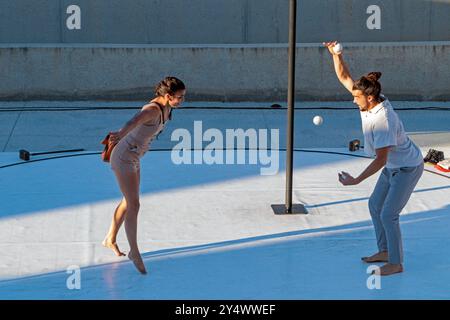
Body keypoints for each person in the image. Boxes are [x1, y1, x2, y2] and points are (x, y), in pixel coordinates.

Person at [323, 41, 424, 276]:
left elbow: (380, 159)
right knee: (375, 205)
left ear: (369, 98)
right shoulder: (370, 100)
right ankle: (385, 251)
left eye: (356, 97)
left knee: (389, 214)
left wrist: (356, 180)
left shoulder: (383, 121)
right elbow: (344, 77)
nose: (353, 100)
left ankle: (396, 263)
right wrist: (336, 55)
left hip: (408, 168)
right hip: (393, 167)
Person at [102, 76, 186, 274]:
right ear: (168, 95)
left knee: (128, 200)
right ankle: (134, 251)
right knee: (134, 204)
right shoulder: (152, 110)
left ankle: (109, 239)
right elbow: (134, 120)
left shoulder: (168, 107)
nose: (182, 100)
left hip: (134, 156)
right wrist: (121, 133)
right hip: (124, 157)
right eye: (180, 97)